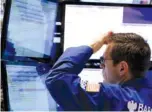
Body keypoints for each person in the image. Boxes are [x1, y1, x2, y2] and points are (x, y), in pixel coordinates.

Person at [45, 32, 152, 111]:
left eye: (103, 60)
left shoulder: (113, 96)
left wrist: (93, 46)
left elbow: (56, 78)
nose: (101, 65)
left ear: (122, 68)